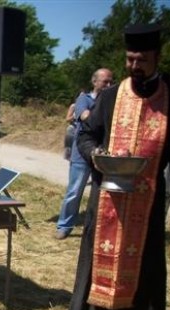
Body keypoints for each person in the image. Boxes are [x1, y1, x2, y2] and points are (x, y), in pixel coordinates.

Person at [67, 23, 170, 310]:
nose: (134, 66)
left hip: (149, 194)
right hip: (107, 195)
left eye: (141, 60)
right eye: (130, 59)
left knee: (145, 258)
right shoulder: (112, 96)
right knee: (94, 254)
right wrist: (97, 154)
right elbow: (86, 135)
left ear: (156, 57)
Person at [55, 68, 114, 240]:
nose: (109, 85)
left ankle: (99, 229)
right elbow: (85, 116)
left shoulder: (112, 101)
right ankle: (64, 225)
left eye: (111, 81)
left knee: (102, 194)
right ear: (95, 82)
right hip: (82, 154)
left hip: (103, 154)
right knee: (74, 191)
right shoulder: (84, 99)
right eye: (105, 82)